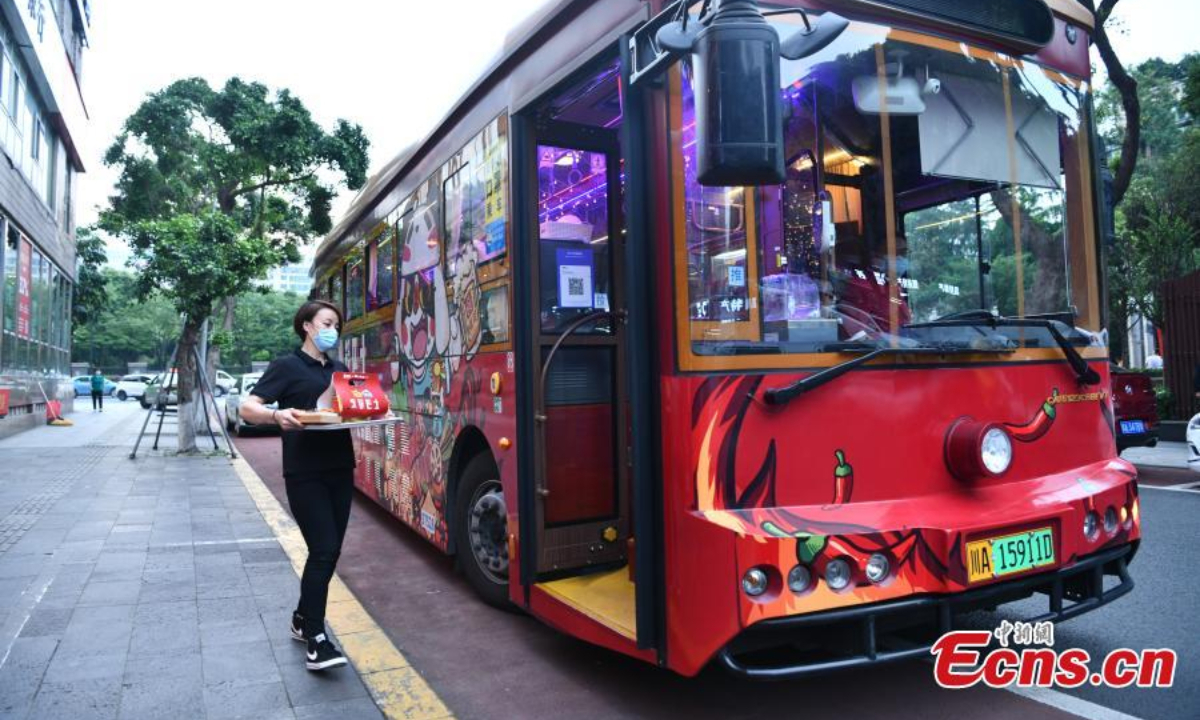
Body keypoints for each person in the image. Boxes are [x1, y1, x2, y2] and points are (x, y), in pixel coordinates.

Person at [239, 300, 354, 671]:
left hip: (340, 468)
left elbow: (353, 409)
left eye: (336, 324)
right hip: (305, 472)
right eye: (326, 322)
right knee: (322, 550)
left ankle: (302, 618)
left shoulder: (340, 370)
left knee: (331, 551)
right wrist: (276, 415)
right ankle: (316, 640)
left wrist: (376, 413)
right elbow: (247, 408)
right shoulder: (287, 366)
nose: (332, 329)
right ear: (306, 325)